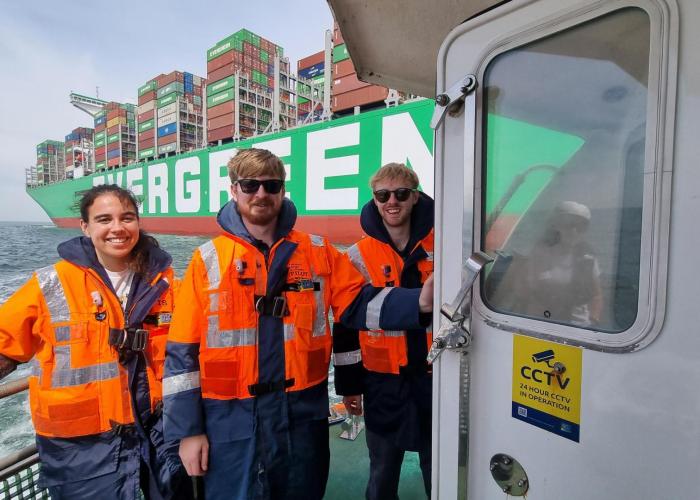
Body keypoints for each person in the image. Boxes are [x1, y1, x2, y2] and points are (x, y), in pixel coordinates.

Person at [163, 149, 434, 500]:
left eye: (271, 185)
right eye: (250, 185)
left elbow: (358, 304)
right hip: (230, 419)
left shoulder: (318, 252)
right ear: (234, 190)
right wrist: (188, 432)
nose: (261, 194)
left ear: (282, 191)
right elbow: (181, 355)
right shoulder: (207, 260)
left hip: (302, 413)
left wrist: (417, 302)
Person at [0, 185, 192, 499]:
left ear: (137, 223)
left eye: (126, 218)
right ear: (85, 227)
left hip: (158, 438)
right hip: (80, 453)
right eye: (104, 219)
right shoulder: (50, 284)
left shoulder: (167, 284)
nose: (117, 228)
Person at [332, 163, 434, 499]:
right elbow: (345, 327)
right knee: (382, 475)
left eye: (401, 194)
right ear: (374, 200)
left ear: (415, 197)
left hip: (437, 380)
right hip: (382, 384)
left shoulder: (447, 244)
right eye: (383, 195)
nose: (392, 201)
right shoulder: (358, 256)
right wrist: (350, 387)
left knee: (440, 472)